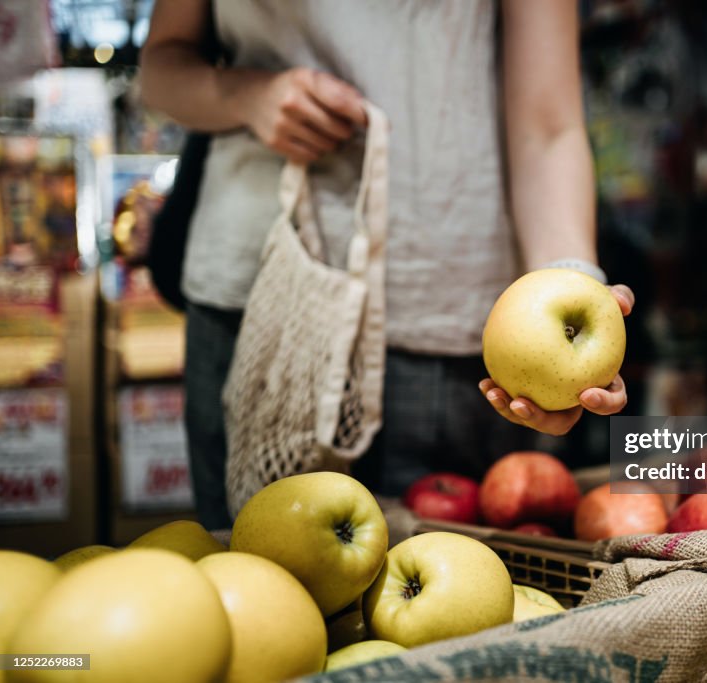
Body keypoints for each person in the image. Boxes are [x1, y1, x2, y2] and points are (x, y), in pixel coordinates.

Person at [140, 0, 633, 530]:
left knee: (464, 596)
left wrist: (571, 279)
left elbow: (548, 126)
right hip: (258, 308)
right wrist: (247, 96)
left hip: (449, 318)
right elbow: (162, 66)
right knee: (253, 579)